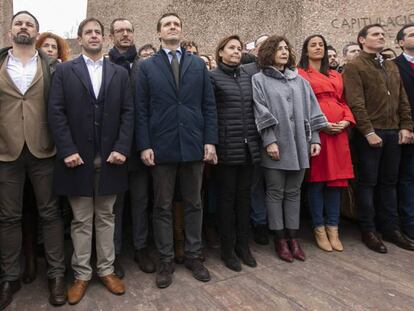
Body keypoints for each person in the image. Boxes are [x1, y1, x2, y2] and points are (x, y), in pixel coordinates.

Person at [48, 17, 134, 304]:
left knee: (107, 217)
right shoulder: (64, 71)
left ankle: (107, 270)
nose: (94, 36)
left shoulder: (119, 73)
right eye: (89, 32)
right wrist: (67, 149)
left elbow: (128, 113)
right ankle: (82, 275)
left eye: (98, 32)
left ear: (104, 38)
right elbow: (56, 112)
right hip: (77, 159)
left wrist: (122, 147)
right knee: (82, 220)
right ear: (80, 38)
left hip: (111, 158)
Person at [136, 12, 218, 289]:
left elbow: (208, 105)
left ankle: (194, 256)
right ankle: (166, 260)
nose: (173, 27)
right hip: (161, 147)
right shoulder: (147, 67)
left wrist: (210, 141)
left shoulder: (197, 64)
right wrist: (145, 144)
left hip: (194, 144)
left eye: (177, 24)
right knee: (162, 205)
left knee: (194, 203)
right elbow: (142, 110)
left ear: (181, 31)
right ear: (159, 33)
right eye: (168, 24)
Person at [0, 11, 66, 309]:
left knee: (50, 214)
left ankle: (56, 276)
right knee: (9, 217)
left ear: (36, 32)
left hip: (44, 150)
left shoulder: (52, 65)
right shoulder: (0, 63)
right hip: (6, 152)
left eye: (29, 24)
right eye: (19, 23)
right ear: (10, 30)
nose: (23, 27)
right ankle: (9, 277)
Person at [252, 35, 327, 263]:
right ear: (268, 52)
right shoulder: (259, 79)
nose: (283, 52)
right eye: (278, 48)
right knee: (275, 192)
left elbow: (313, 110)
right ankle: (280, 239)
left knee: (294, 192)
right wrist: (269, 141)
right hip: (276, 145)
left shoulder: (300, 81)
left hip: (300, 144)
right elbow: (260, 111)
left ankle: (293, 238)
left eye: (286, 48)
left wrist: (315, 139)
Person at [343, 23, 414, 253]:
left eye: (383, 34)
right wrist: (368, 131)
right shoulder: (355, 66)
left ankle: (391, 229)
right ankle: (368, 230)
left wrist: (406, 126)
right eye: (375, 34)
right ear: (362, 40)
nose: (381, 37)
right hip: (370, 135)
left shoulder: (390, 66)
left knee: (389, 183)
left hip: (394, 132)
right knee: (367, 183)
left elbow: (402, 98)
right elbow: (356, 103)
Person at [20, 31, 71, 286]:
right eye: (46, 45)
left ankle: (55, 266)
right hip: (20, 149)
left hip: (53, 149)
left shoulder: (61, 73)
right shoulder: (25, 69)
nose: (50, 49)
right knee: (25, 208)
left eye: (54, 46)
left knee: (52, 209)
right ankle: (29, 259)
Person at [108, 17, 155, 278]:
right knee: (115, 205)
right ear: (111, 36)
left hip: (139, 146)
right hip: (113, 148)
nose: (125, 34)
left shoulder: (145, 66)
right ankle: (113, 253)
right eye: (119, 31)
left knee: (140, 201)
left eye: (129, 30)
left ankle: (140, 247)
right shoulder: (104, 65)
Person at [298, 35, 355, 252]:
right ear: (305, 50)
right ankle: (319, 228)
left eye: (320, 44)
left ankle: (334, 227)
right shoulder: (301, 73)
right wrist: (321, 123)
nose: (318, 48)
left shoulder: (335, 74)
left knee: (336, 183)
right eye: (313, 45)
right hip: (318, 133)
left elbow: (342, 101)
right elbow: (302, 104)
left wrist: (346, 120)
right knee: (317, 181)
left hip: (338, 133)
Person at [209, 35, 261, 271]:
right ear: (220, 52)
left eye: (239, 48)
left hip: (249, 147)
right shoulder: (212, 77)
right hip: (226, 149)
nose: (236, 51)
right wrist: (212, 144)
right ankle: (228, 249)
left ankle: (243, 246)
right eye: (231, 48)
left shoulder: (249, 77)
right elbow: (209, 113)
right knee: (226, 201)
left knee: (244, 199)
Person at [394, 23, 414, 240]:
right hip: (407, 131)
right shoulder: (395, 66)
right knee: (408, 177)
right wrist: (406, 126)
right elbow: (398, 100)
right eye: (411, 35)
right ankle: (409, 222)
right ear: (401, 42)